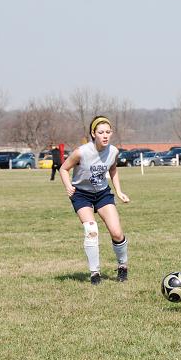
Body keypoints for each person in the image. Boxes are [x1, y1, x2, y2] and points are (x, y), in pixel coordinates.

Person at [59, 116, 130, 285]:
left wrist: (119, 191)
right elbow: (63, 168)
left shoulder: (113, 151)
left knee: (117, 232)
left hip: (103, 194)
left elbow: (113, 169)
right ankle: (95, 273)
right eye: (101, 132)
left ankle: (122, 267)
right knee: (91, 230)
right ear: (93, 134)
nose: (105, 135)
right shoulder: (81, 152)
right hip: (82, 194)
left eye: (108, 132)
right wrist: (68, 185)